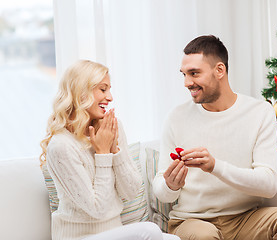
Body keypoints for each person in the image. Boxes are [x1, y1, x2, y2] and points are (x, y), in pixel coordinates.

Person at [152, 35, 277, 240]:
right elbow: (161, 192)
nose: (187, 83)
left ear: (219, 70)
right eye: (184, 74)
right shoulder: (176, 117)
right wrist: (170, 185)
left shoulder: (259, 112)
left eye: (194, 73)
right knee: (204, 235)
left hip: (246, 218)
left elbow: (269, 185)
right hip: (193, 221)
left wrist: (215, 166)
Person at [40, 60, 180, 240]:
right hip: (79, 236)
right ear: (81, 92)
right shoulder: (61, 146)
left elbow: (130, 192)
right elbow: (98, 208)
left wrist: (115, 151)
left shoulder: (111, 127)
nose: (110, 97)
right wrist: (103, 154)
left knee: (173, 239)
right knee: (150, 232)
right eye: (103, 89)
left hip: (114, 232)